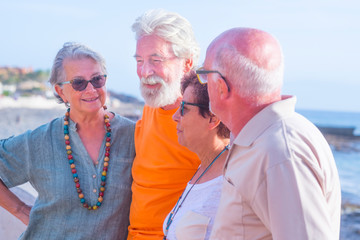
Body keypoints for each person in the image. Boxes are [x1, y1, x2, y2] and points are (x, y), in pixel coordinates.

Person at [196, 28, 342, 239]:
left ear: (220, 86)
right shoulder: (263, 138)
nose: (204, 83)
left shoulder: (280, 153)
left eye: (204, 75)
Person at [0, 42, 135, 239]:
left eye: (97, 79)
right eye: (79, 83)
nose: (91, 89)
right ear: (61, 91)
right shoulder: (40, 141)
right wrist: (20, 209)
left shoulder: (132, 135)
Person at [128, 9, 201, 239]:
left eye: (156, 60)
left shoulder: (206, 116)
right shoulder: (153, 102)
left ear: (187, 62)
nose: (144, 72)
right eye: (139, 61)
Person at [162, 71, 230, 240]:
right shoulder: (204, 168)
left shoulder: (231, 179)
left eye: (184, 108)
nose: (175, 116)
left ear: (213, 118)